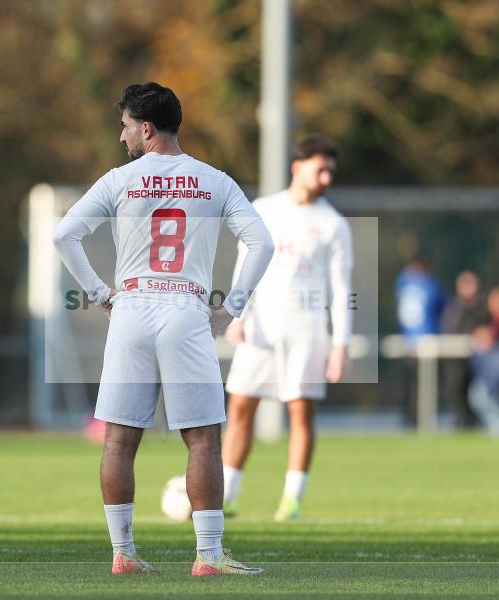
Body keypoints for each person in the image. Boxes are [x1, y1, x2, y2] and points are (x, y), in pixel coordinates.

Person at [53, 82, 274, 576]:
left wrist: (99, 292)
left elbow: (63, 234)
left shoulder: (119, 180)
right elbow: (261, 242)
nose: (122, 135)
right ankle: (209, 556)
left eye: (126, 125)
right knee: (201, 439)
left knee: (118, 439)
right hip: (185, 311)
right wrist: (233, 305)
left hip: (130, 307)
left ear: (146, 129)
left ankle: (123, 554)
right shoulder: (213, 180)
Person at [220, 134, 353, 522]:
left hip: (307, 329)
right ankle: (228, 495)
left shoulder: (333, 224)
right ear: (298, 168)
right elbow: (245, 264)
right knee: (241, 406)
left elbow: (343, 287)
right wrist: (237, 315)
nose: (326, 178)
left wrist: (340, 344)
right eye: (320, 169)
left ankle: (292, 499)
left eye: (331, 171)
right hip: (261, 327)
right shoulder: (263, 209)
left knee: (301, 412)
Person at [395, 256, 445, 426]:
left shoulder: (403, 282)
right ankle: (417, 418)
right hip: (424, 341)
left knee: (415, 384)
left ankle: (415, 418)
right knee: (419, 384)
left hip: (412, 342)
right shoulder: (429, 285)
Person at [440, 270, 489, 429]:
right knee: (456, 396)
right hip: (455, 363)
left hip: (478, 363)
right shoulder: (453, 308)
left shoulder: (483, 308)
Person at [467, 286, 499, 438]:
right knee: (478, 396)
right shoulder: (483, 319)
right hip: (486, 371)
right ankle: (498, 426)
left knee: (485, 396)